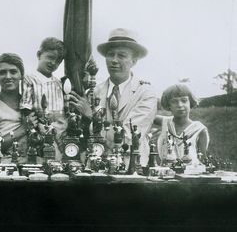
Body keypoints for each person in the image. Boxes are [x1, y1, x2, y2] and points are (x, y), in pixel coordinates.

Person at [69, 28, 157, 167]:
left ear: (134, 61)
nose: (114, 60)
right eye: (110, 55)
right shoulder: (94, 92)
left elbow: (127, 138)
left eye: (121, 55)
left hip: (132, 167)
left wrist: (92, 117)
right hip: (95, 166)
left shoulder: (145, 93)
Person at [0, 53, 37, 159]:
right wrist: (23, 129)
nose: (8, 77)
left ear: (21, 76)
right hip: (3, 162)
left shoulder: (30, 101)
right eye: (3, 73)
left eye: (13, 72)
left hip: (31, 159)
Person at [20, 37, 67, 157]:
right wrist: (36, 127)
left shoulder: (58, 83)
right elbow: (26, 108)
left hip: (60, 130)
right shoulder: (29, 79)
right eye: (50, 57)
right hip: (40, 129)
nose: (53, 63)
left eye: (58, 61)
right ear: (39, 54)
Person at [154, 84, 209, 164]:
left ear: (191, 102)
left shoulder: (199, 129)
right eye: (174, 101)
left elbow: (203, 159)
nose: (180, 105)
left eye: (184, 100)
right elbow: (146, 116)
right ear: (169, 105)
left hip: (191, 173)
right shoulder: (165, 122)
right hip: (166, 173)